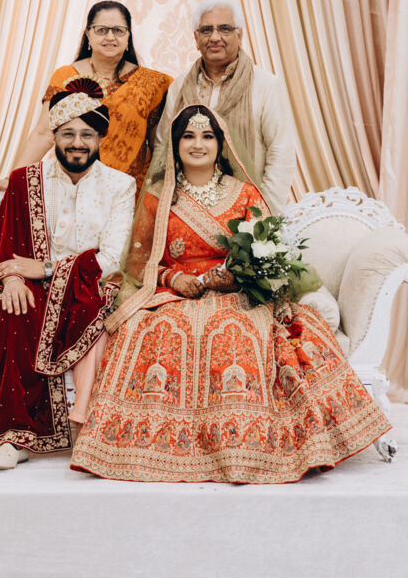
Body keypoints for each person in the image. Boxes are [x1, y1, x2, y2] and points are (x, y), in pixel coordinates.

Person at [71, 105, 391, 483]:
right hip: (174, 295)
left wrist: (235, 277)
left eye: (207, 136)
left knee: (238, 333)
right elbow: (138, 262)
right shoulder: (159, 196)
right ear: (175, 144)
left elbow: (266, 252)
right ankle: (156, 443)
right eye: (188, 136)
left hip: (236, 293)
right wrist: (174, 278)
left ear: (221, 144)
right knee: (152, 331)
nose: (198, 144)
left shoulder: (244, 194)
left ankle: (245, 444)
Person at [0, 78, 136, 470]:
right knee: (12, 310)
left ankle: (86, 425)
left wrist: (45, 269)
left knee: (95, 311)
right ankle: (16, 435)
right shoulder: (25, 180)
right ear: (55, 136)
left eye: (87, 135)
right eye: (68, 134)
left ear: (100, 139)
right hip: (29, 282)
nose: (77, 143)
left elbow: (112, 258)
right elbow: (5, 249)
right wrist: (12, 277)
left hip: (89, 284)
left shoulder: (121, 185)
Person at [0, 0, 172, 191]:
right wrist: (13, 179)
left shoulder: (154, 83)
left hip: (129, 190)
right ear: (88, 35)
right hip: (72, 185)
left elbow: (159, 145)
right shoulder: (66, 76)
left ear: (128, 37)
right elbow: (44, 133)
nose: (110, 37)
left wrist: (161, 191)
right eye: (101, 30)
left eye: (118, 30)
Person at [154, 0, 297, 211]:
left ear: (240, 35)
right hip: (186, 211)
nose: (215, 37)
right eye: (206, 30)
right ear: (196, 38)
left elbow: (281, 154)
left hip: (248, 212)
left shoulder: (266, 85)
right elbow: (163, 146)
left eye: (224, 29)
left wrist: (262, 215)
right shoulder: (180, 86)